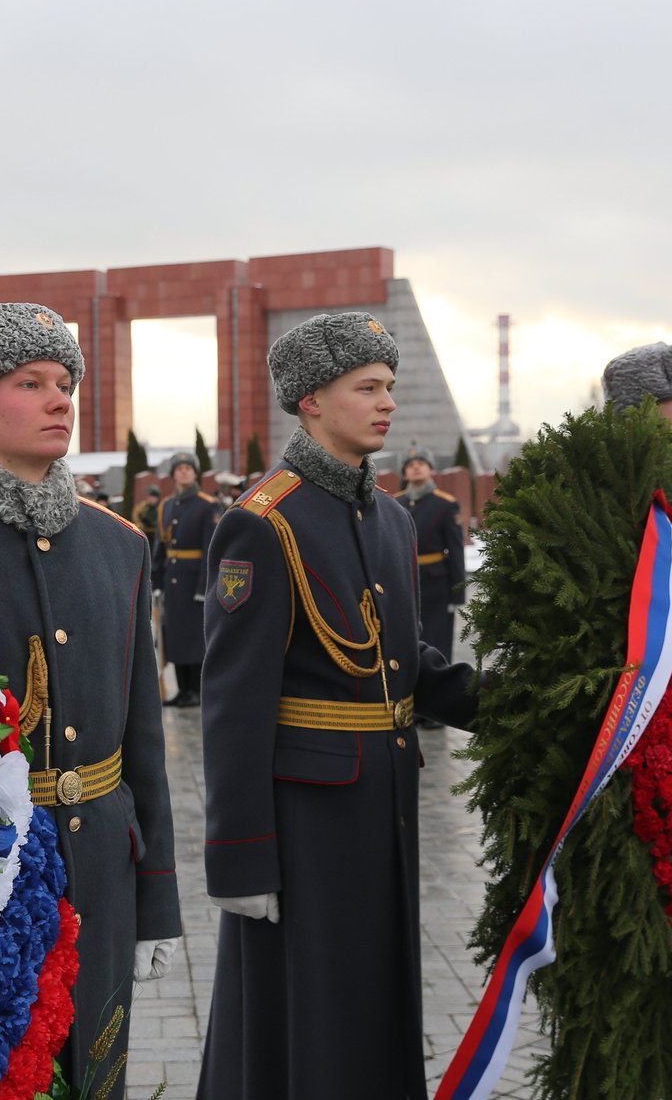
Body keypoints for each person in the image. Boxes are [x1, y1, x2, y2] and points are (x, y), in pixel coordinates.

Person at [0, 300, 181, 1095]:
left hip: (101, 869)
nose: (62, 399)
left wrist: (155, 897)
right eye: (32, 383)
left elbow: (143, 743)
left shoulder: (119, 544)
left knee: (95, 1078)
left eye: (65, 382)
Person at [197, 312, 479, 1099]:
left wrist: (498, 704)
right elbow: (232, 702)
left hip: (381, 799)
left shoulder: (387, 515)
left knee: (373, 993)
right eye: (368, 388)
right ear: (312, 400)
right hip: (303, 817)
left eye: (390, 386)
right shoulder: (262, 521)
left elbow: (401, 664)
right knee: (306, 1005)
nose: (387, 402)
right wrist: (241, 857)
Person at [154, 451, 221, 708]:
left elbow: (211, 550)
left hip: (195, 582)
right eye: (179, 468)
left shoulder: (207, 504)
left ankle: (195, 690)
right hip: (172, 581)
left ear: (195, 473)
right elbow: (161, 546)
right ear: (173, 475)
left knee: (195, 638)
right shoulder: (166, 505)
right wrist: (157, 581)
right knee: (175, 638)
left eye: (188, 468)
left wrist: (205, 586)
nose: (183, 472)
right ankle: (182, 690)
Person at [394, 450, 465, 682]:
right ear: (404, 472)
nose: (416, 467)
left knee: (436, 641)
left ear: (431, 469)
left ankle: (437, 702)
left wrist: (457, 594)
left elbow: (455, 551)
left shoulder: (445, 504)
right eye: (410, 464)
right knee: (404, 641)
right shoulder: (395, 503)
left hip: (436, 586)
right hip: (404, 583)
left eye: (421, 463)